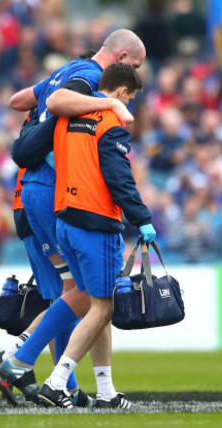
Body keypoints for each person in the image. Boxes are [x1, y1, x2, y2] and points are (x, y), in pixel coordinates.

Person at [0, 29, 146, 406]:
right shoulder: (92, 86)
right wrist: (111, 106)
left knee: (79, 294)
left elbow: (18, 100)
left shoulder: (66, 72)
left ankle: (73, 386)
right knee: (87, 296)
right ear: (122, 59)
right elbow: (112, 169)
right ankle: (22, 360)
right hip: (64, 196)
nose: (133, 81)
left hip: (35, 191)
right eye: (135, 69)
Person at [38, 63, 153, 409]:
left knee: (95, 304)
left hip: (64, 220)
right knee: (103, 309)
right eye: (129, 99)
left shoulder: (66, 119)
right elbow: (119, 179)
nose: (128, 106)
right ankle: (56, 383)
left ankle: (106, 392)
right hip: (96, 223)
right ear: (120, 93)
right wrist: (142, 219)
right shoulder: (109, 122)